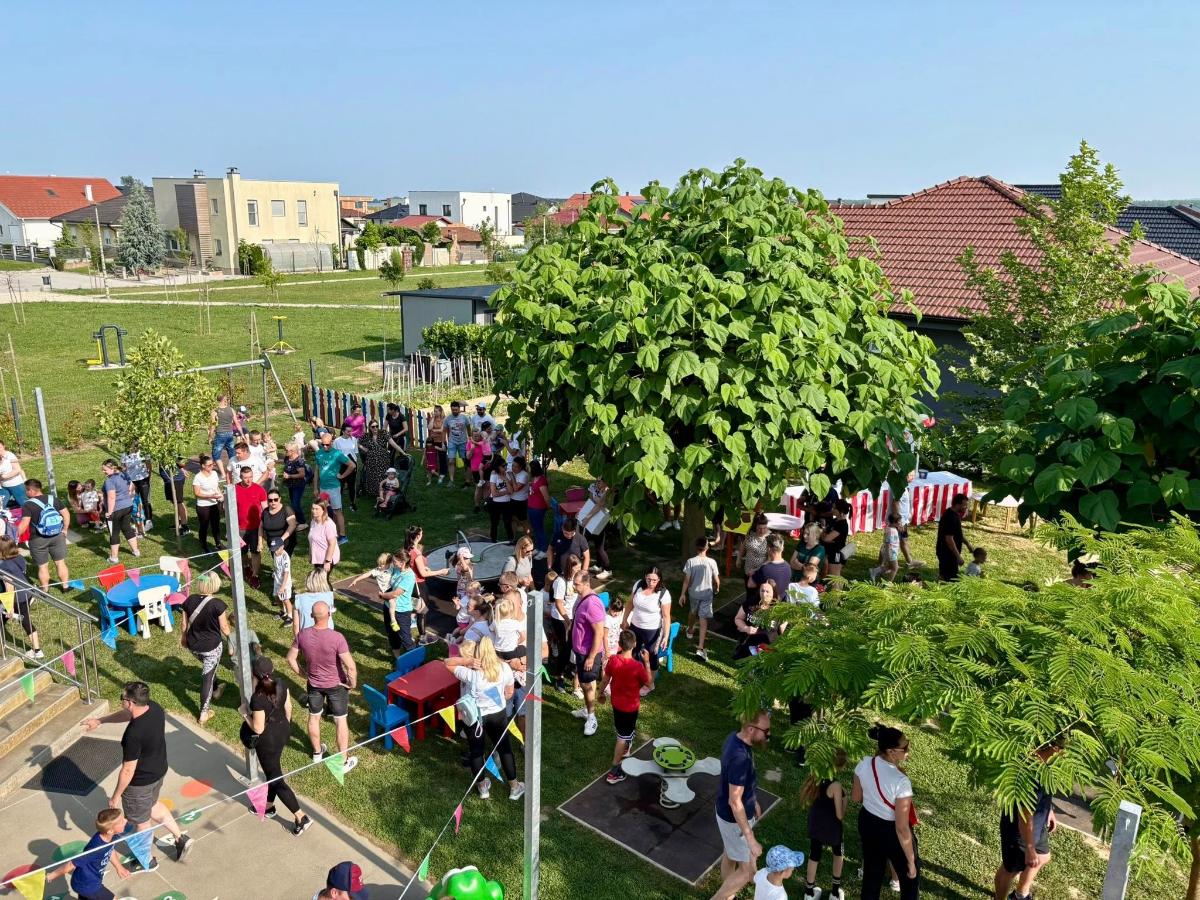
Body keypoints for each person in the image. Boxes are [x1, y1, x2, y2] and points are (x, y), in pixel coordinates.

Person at [82, 682, 194, 866]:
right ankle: (180, 838)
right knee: (152, 805)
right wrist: (101, 720)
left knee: (142, 823)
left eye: (122, 698)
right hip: (158, 772)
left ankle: (147, 861)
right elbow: (127, 714)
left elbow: (128, 770)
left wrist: (116, 796)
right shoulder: (154, 708)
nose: (121, 701)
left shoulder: (133, 734)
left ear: (130, 702)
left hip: (139, 784)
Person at [238, 656, 313, 836]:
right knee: (273, 772)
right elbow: (289, 708)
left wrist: (244, 714)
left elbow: (258, 728)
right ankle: (269, 806)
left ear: (254, 675)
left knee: (276, 780)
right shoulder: (281, 683)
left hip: (268, 742)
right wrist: (284, 726)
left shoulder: (258, 698)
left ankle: (301, 817)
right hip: (283, 731)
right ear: (271, 672)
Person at [444, 637, 524, 800]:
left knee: (476, 751)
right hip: (498, 714)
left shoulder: (472, 674)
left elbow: (447, 663)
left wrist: (467, 661)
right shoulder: (504, 668)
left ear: (477, 654)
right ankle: (515, 787)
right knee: (504, 749)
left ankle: (482, 788)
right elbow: (509, 693)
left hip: (475, 716)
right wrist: (500, 697)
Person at [287, 600, 358, 772]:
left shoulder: (302, 635)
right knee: (340, 721)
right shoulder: (337, 638)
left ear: (312, 616)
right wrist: (352, 683)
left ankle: (317, 753)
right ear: (329, 615)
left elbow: (290, 658)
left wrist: (302, 674)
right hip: (336, 685)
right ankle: (343, 761)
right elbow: (350, 667)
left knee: (314, 717)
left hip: (314, 684)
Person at [853, 724, 919, 899]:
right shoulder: (901, 781)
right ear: (891, 751)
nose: (908, 751)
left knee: (871, 878)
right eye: (905, 747)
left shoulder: (864, 763)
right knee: (910, 883)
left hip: (868, 822)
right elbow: (902, 828)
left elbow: (856, 797)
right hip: (891, 832)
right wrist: (911, 861)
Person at [714, 710, 772, 900]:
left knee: (730, 854)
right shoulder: (740, 758)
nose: (769, 735)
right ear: (751, 729)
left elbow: (738, 786)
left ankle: (728, 896)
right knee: (747, 872)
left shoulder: (735, 738)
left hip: (726, 813)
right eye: (766, 731)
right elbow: (734, 801)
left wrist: (752, 800)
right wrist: (750, 838)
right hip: (734, 821)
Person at [994, 743, 1061, 900]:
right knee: (1010, 870)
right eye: (1062, 750)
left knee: (1043, 857)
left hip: (1038, 824)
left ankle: (1020, 894)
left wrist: (1048, 810)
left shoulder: (1047, 768)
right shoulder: (1030, 777)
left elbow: (1043, 795)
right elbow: (1025, 817)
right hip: (1020, 831)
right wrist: (1030, 848)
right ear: (1054, 748)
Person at [597, 629, 651, 784]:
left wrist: (600, 693)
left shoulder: (614, 660)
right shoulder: (637, 666)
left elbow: (605, 679)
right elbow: (649, 683)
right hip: (630, 708)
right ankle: (614, 772)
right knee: (622, 737)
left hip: (617, 704)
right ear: (634, 644)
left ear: (620, 644)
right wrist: (647, 662)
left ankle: (626, 746)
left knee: (623, 731)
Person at [179, 572, 230, 725]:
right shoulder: (218, 604)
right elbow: (224, 627)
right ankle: (204, 712)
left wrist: (183, 638)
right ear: (215, 584)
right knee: (207, 676)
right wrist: (232, 640)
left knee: (210, 668)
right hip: (211, 647)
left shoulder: (189, 600)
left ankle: (216, 687)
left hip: (193, 646)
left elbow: (184, 624)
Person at [48, 807, 133, 897]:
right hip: (88, 885)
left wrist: (119, 867)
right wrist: (51, 876)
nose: (125, 820)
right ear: (110, 831)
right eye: (121, 821)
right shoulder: (95, 848)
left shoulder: (110, 836)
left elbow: (110, 849)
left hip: (87, 881)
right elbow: (70, 865)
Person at [801, 750, 847, 900]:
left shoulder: (817, 776)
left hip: (816, 823)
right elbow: (840, 815)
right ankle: (835, 892)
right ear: (840, 766)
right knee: (838, 854)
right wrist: (845, 800)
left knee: (814, 854)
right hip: (832, 827)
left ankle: (809, 892)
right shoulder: (836, 785)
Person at [623, 566, 671, 692]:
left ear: (659, 579)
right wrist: (624, 619)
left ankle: (650, 684)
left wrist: (666, 636)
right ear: (645, 577)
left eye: (655, 580)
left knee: (651, 655)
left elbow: (666, 617)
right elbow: (630, 603)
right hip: (635, 626)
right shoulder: (638, 585)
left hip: (652, 630)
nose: (651, 583)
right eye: (649, 579)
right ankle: (634, 677)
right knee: (632, 652)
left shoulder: (663, 594)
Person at [570, 570, 606, 736]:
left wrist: (591, 657)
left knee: (586, 684)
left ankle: (591, 717)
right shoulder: (581, 598)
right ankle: (587, 709)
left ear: (586, 584)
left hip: (588, 653)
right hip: (581, 650)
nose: (573, 586)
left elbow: (599, 632)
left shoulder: (592, 604)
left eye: (576, 584)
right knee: (587, 682)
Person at [19, 479, 69, 594]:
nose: (25, 493)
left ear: (31, 490)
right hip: (57, 535)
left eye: (26, 490)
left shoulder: (28, 504)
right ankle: (65, 586)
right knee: (60, 562)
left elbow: (25, 524)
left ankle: (45, 590)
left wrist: (15, 537)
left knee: (42, 567)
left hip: (38, 539)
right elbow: (66, 514)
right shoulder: (53, 499)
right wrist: (65, 529)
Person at [0, 537, 42, 658]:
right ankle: (37, 650)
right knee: (25, 621)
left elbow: (9, 586)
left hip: (17, 598)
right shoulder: (19, 558)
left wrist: (9, 607)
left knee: (24, 621)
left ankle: (37, 651)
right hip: (26, 593)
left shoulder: (4, 567)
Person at [681, 536, 720, 661]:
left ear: (696, 547)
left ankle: (690, 630)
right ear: (707, 547)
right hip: (707, 594)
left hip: (694, 593)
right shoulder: (712, 562)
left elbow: (686, 580)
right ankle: (700, 647)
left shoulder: (690, 562)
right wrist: (717, 588)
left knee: (693, 612)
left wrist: (682, 594)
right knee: (703, 619)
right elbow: (716, 579)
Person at [311, 432, 354, 543]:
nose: (325, 447)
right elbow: (316, 471)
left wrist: (342, 476)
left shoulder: (337, 454)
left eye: (327, 444)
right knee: (323, 510)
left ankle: (343, 536)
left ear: (332, 443)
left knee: (337, 511)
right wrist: (315, 487)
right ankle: (329, 533)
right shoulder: (318, 453)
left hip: (334, 488)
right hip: (323, 488)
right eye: (323, 444)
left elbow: (352, 465)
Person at [406, 526, 445, 642]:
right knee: (422, 612)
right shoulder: (416, 552)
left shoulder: (407, 549)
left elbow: (412, 566)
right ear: (418, 536)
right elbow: (423, 574)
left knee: (414, 609)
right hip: (419, 586)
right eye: (421, 533)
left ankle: (407, 634)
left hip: (411, 584)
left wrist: (422, 567)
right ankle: (423, 638)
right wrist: (441, 571)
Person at [234, 465, 268, 588]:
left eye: (251, 477)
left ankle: (255, 575)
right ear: (240, 477)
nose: (249, 480)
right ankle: (246, 567)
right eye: (245, 477)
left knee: (255, 551)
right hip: (239, 528)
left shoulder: (259, 490)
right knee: (242, 552)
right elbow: (227, 508)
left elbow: (265, 510)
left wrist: (266, 526)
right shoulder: (234, 489)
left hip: (255, 528)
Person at [101, 459, 140, 564]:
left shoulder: (109, 481)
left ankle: (114, 558)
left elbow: (111, 497)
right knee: (127, 528)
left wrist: (109, 512)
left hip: (116, 509)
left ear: (112, 468)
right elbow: (131, 486)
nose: (103, 472)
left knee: (114, 533)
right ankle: (136, 551)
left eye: (105, 470)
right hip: (128, 506)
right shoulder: (123, 475)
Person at [380, 550, 417, 654]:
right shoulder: (396, 569)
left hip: (402, 611)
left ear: (403, 562)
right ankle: (398, 658)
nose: (393, 563)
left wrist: (382, 595)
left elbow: (396, 593)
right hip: (388, 606)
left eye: (395, 561)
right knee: (392, 634)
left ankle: (414, 658)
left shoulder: (409, 576)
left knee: (405, 637)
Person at [734, 580, 780, 659]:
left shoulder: (779, 610)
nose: (764, 594)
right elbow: (738, 618)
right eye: (762, 590)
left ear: (774, 593)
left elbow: (783, 631)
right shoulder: (750, 603)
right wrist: (746, 628)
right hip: (747, 647)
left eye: (767, 591)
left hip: (768, 650)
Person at [358, 419, 399, 501]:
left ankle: (384, 493)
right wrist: (363, 448)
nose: (375, 428)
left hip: (383, 460)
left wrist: (403, 452)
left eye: (377, 426)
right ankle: (376, 493)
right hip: (371, 460)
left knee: (383, 476)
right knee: (373, 477)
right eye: (373, 426)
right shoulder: (367, 436)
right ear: (370, 428)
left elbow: (393, 444)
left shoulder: (383, 433)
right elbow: (357, 442)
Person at [579, 477, 612, 579]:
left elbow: (599, 506)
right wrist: (582, 512)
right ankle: (598, 565)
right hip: (593, 517)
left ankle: (608, 570)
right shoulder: (593, 487)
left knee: (600, 547)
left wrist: (587, 518)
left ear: (605, 482)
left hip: (601, 519)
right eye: (596, 481)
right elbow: (590, 501)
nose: (597, 483)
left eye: (600, 482)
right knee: (596, 543)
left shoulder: (608, 491)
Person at [936, 493, 972, 582]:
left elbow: (957, 534)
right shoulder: (951, 517)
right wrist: (958, 556)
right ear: (957, 504)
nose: (966, 508)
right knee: (950, 580)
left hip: (949, 553)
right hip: (946, 553)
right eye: (964, 505)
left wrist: (968, 544)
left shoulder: (954, 514)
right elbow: (949, 539)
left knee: (944, 576)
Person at [737, 514, 771, 605]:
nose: (762, 531)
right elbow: (743, 547)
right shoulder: (750, 534)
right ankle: (748, 609)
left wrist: (756, 570)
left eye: (764, 528)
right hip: (748, 569)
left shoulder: (769, 538)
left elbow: (769, 559)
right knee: (749, 592)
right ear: (755, 526)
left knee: (758, 594)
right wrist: (738, 559)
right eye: (760, 528)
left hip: (760, 572)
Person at [192, 455, 224, 552]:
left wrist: (220, 495)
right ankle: (204, 545)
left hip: (214, 504)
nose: (212, 466)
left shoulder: (214, 473)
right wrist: (210, 496)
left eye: (212, 464)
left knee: (216, 525)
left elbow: (216, 487)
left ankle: (218, 543)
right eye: (209, 465)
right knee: (204, 526)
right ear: (203, 466)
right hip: (203, 506)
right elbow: (197, 493)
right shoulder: (198, 477)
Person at [750, 534, 791, 607]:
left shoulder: (765, 569)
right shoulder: (788, 566)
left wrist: (752, 573)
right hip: (781, 606)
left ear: (768, 549)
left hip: (767, 606)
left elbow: (750, 584)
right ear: (782, 548)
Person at [293, 570, 336, 635]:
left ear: (308, 581)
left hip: (306, 635)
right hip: (327, 634)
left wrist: (297, 639)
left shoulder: (299, 598)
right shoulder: (329, 596)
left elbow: (296, 625)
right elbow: (330, 617)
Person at [260, 487, 297, 561]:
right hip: (272, 542)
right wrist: (260, 541)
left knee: (283, 562)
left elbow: (292, 525)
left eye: (275, 499)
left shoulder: (286, 509)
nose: (273, 502)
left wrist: (281, 540)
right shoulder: (265, 512)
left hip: (286, 541)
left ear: (280, 499)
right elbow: (260, 527)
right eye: (270, 500)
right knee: (276, 561)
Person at [280, 442, 310, 530]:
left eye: (286, 450)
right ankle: (296, 520)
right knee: (293, 503)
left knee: (295, 504)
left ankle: (303, 522)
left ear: (292, 451)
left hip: (298, 485)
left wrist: (289, 476)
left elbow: (302, 474)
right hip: (291, 485)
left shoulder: (299, 461)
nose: (285, 451)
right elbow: (286, 464)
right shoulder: (287, 458)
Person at [526, 460, 552, 558]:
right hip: (531, 507)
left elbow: (546, 496)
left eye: (529, 468)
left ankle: (544, 549)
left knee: (539, 528)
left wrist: (548, 506)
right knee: (535, 528)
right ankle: (538, 547)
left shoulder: (541, 480)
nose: (528, 470)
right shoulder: (534, 478)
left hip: (538, 508)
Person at [158, 457, 190, 535]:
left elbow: (180, 461)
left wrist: (181, 468)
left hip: (176, 480)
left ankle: (185, 526)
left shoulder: (169, 450)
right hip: (169, 480)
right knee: (174, 501)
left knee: (179, 502)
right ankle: (178, 522)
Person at [485, 457, 514, 542]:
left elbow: (511, 491)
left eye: (506, 465)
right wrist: (506, 491)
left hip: (507, 503)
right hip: (495, 503)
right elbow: (494, 494)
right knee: (494, 523)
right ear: (497, 467)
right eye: (503, 466)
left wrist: (505, 480)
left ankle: (511, 540)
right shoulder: (494, 475)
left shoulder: (507, 474)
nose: (505, 467)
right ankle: (493, 540)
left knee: (508, 523)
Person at [209, 395, 238, 481]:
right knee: (232, 453)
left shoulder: (215, 411)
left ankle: (223, 474)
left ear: (217, 401)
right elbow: (235, 422)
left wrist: (210, 436)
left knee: (216, 454)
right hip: (230, 434)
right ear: (224, 400)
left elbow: (213, 425)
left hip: (220, 434)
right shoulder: (231, 409)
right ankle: (234, 472)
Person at [821, 500, 852, 580]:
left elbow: (826, 538)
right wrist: (824, 534)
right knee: (832, 577)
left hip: (836, 554)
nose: (832, 509)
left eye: (834, 508)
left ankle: (837, 589)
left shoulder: (842, 524)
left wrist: (824, 535)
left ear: (841, 511)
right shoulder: (834, 520)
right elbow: (824, 535)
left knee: (834, 578)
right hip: (830, 552)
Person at [308, 499, 340, 575]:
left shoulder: (328, 524)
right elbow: (312, 540)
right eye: (313, 508)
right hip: (318, 559)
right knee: (319, 579)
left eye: (317, 509)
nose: (314, 511)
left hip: (326, 558)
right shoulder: (313, 521)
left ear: (323, 510)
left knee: (322, 580)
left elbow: (332, 543)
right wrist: (311, 555)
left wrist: (327, 561)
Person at [333, 424, 360, 512]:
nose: (350, 433)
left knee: (352, 485)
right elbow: (335, 455)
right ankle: (338, 504)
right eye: (348, 431)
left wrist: (355, 463)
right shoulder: (337, 441)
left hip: (352, 464)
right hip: (341, 465)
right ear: (343, 431)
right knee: (340, 485)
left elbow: (355, 453)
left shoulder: (354, 439)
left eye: (351, 431)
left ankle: (353, 503)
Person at [444, 400, 470, 486]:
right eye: (453, 410)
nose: (454, 411)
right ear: (451, 409)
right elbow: (445, 430)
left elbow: (468, 428)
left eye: (456, 410)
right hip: (452, 442)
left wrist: (470, 439)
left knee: (465, 461)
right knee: (451, 461)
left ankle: (467, 480)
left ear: (459, 409)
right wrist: (444, 441)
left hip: (463, 442)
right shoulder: (448, 419)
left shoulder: (464, 418)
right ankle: (451, 480)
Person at [269, 537, 294, 625]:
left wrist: (283, 587)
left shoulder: (285, 557)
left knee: (286, 599)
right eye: (273, 550)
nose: (275, 551)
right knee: (276, 597)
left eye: (276, 549)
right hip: (277, 580)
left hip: (284, 583)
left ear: (282, 547)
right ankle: (283, 611)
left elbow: (286, 573)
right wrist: (274, 573)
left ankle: (290, 617)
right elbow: (276, 565)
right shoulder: (275, 554)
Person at [872, 513, 903, 582]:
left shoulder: (891, 528)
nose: (900, 523)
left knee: (890, 567)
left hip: (892, 551)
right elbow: (888, 543)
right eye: (899, 521)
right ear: (894, 522)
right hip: (890, 552)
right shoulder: (891, 531)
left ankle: (875, 571)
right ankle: (888, 584)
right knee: (895, 568)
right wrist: (888, 555)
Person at [507, 455, 531, 534]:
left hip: (521, 501)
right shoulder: (513, 472)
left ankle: (528, 537)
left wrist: (512, 477)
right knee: (512, 519)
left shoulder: (524, 475)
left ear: (521, 467)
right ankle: (512, 538)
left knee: (523, 520)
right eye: (513, 466)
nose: (513, 468)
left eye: (516, 467)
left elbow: (516, 489)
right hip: (512, 499)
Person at [0, 440, 27, 508]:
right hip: (3, 487)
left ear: (4, 446)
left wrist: (4, 476)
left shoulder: (10, 456)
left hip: (15, 485)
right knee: (1, 505)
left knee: (24, 504)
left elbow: (17, 470)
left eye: (0, 447)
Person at [428, 404, 448, 483]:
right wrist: (433, 418)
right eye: (434, 411)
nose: (435, 413)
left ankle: (443, 472)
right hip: (433, 441)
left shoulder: (444, 419)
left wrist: (434, 430)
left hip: (441, 441)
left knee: (442, 457)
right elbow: (429, 427)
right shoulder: (433, 418)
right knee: (433, 457)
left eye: (436, 411)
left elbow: (442, 430)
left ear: (440, 412)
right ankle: (434, 471)